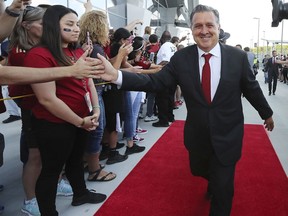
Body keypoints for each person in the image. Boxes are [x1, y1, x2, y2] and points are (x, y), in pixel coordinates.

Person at [96, 4, 274, 216]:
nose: (204, 30)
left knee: (224, 188)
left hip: (228, 134)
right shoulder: (181, 59)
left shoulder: (237, 58)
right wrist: (117, 76)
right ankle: (212, 179)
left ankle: (218, 187)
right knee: (201, 170)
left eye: (209, 25)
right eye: (198, 26)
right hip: (197, 135)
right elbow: (155, 83)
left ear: (219, 27)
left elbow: (252, 89)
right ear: (191, 30)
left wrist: (267, 114)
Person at [23, 5, 106, 215]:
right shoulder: (39, 55)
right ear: (52, 26)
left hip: (81, 118)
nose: (76, 29)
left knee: (76, 160)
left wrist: (95, 110)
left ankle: (80, 193)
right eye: (69, 25)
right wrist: (80, 121)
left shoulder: (75, 50)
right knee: (51, 170)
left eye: (77, 24)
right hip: (54, 123)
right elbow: (47, 99)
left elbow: (88, 82)